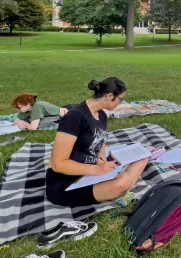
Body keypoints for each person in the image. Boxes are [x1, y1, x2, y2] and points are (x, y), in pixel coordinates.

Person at [45, 77, 148, 208]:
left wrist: (105, 166)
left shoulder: (102, 116)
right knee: (124, 182)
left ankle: (115, 186)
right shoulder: (74, 117)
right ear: (110, 96)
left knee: (142, 158)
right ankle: (119, 190)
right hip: (67, 183)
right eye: (120, 99)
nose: (120, 103)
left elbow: (100, 146)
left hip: (91, 171)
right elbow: (58, 164)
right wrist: (95, 169)